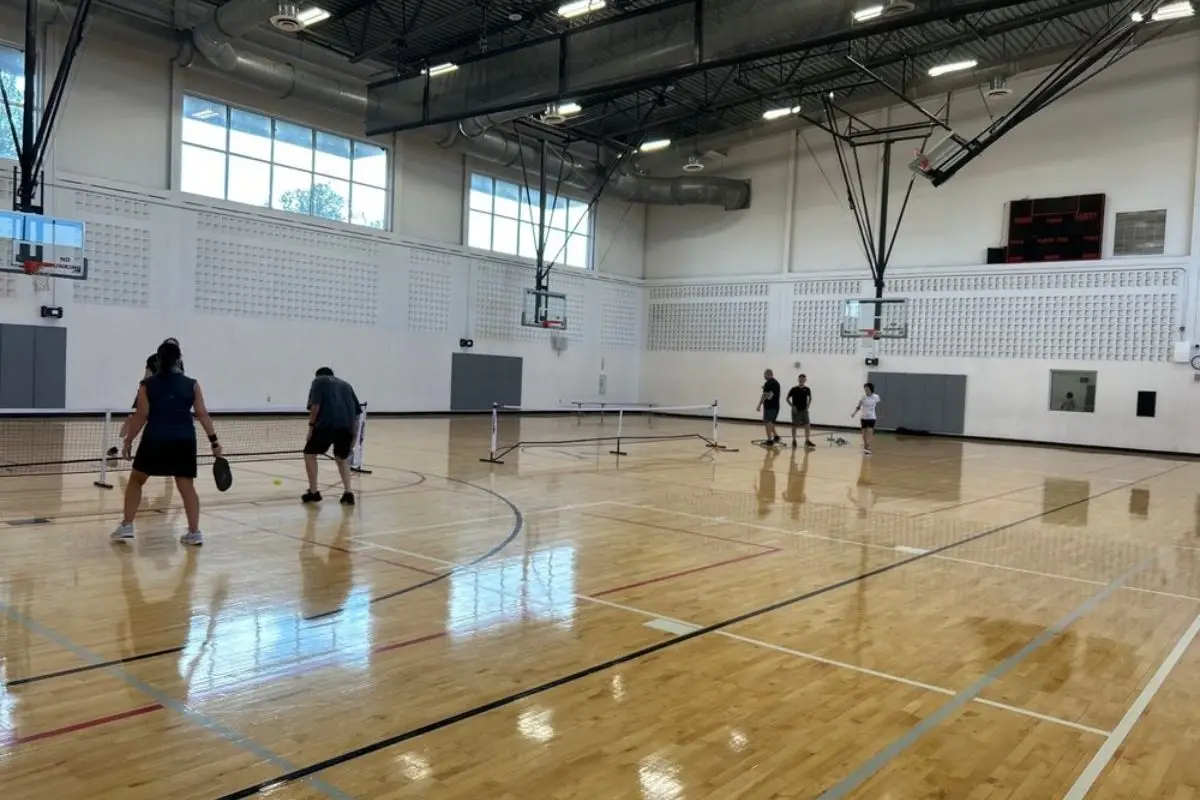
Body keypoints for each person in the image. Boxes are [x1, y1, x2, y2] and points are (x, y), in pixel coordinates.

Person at [111, 338, 220, 546]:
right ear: (179, 360)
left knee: (136, 481)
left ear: (158, 361)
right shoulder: (192, 384)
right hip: (184, 441)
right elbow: (202, 414)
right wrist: (214, 442)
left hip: (155, 440)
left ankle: (126, 526)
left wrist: (128, 441)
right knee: (186, 486)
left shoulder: (147, 385)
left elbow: (141, 415)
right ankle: (194, 532)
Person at [302, 367, 363, 506]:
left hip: (326, 425)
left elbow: (316, 405)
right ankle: (348, 493)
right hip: (347, 426)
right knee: (342, 457)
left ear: (318, 375)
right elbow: (356, 414)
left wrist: (311, 426)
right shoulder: (346, 385)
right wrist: (353, 436)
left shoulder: (318, 381)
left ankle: (313, 492)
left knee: (309, 454)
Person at [851, 382, 881, 455]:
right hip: (864, 417)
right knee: (863, 432)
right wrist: (854, 413)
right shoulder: (863, 397)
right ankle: (865, 445)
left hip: (871, 417)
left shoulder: (876, 397)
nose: (866, 390)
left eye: (867, 389)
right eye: (865, 389)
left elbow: (877, 404)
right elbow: (859, 406)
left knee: (870, 431)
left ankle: (869, 445)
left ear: (871, 389)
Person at [786, 374, 815, 450]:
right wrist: (792, 406)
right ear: (798, 380)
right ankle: (794, 440)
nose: (802, 380)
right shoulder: (794, 389)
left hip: (804, 410)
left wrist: (808, 405)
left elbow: (810, 398)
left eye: (803, 379)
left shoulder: (807, 389)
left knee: (807, 425)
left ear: (805, 380)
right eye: (800, 378)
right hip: (796, 411)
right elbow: (787, 398)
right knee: (795, 425)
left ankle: (807, 440)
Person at [756, 369, 782, 445]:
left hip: (770, 406)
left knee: (768, 422)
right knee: (771, 422)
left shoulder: (768, 383)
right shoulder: (776, 383)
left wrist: (759, 405)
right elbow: (772, 394)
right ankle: (776, 436)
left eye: (764, 375)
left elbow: (765, 395)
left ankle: (769, 440)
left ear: (768, 374)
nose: (764, 377)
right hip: (775, 406)